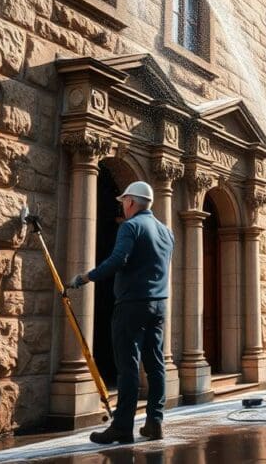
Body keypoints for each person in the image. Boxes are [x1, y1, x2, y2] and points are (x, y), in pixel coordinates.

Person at [68, 181, 174, 444]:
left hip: (131, 305)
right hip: (159, 304)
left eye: (123, 202)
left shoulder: (131, 226)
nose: (122, 207)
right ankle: (154, 423)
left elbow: (118, 260)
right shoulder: (166, 231)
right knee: (155, 365)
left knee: (127, 365)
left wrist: (85, 277)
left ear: (130, 202)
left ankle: (122, 427)